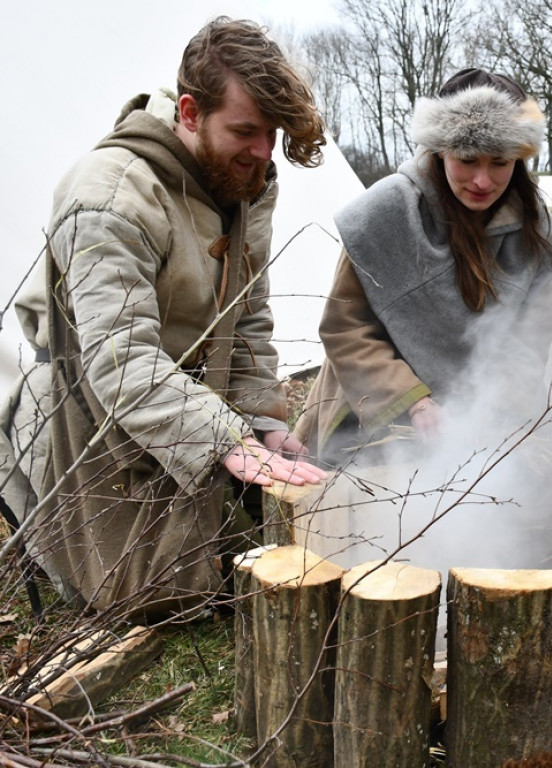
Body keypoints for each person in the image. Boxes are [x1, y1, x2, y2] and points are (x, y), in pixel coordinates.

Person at [7, 17, 329, 622]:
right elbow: (120, 361)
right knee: (160, 593)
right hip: (100, 404)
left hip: (190, 396)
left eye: (272, 133)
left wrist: (259, 420)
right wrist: (223, 440)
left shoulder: (242, 172)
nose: (263, 151)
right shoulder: (109, 196)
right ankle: (27, 460)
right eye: (245, 131)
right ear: (188, 111)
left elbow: (249, 309)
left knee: (257, 551)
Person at [297, 68, 552, 464]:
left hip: (489, 420)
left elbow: (529, 344)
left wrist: (486, 413)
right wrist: (415, 403)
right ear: (440, 150)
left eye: (500, 162)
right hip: (374, 414)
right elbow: (344, 327)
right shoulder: (384, 213)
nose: (482, 180)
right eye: (468, 159)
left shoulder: (537, 232)